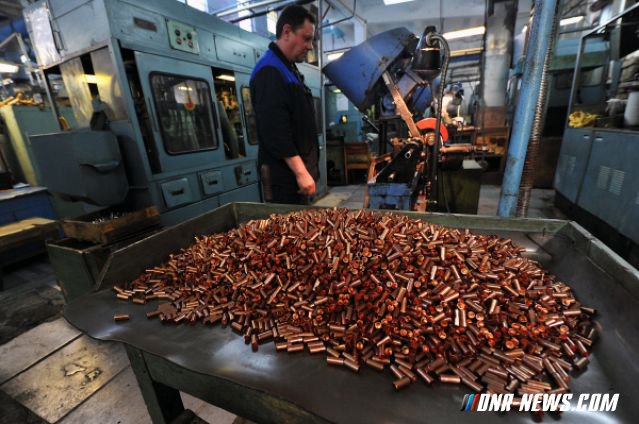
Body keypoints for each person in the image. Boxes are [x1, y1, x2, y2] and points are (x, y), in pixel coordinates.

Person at [250, 5, 319, 204]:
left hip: (295, 180)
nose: (310, 46)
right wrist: (301, 172)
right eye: (306, 38)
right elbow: (276, 131)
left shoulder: (288, 69)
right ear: (287, 32)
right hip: (284, 182)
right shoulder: (270, 71)